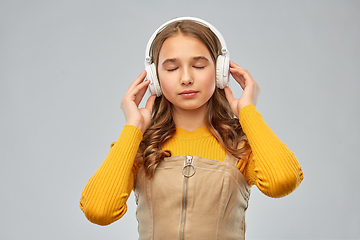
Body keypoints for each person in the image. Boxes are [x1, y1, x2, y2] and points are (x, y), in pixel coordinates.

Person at [79, 17, 303, 239]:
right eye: (172, 68)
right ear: (156, 78)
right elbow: (99, 211)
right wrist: (133, 128)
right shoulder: (140, 147)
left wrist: (248, 113)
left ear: (219, 71)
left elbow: (282, 182)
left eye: (198, 65)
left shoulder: (240, 145)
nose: (186, 78)